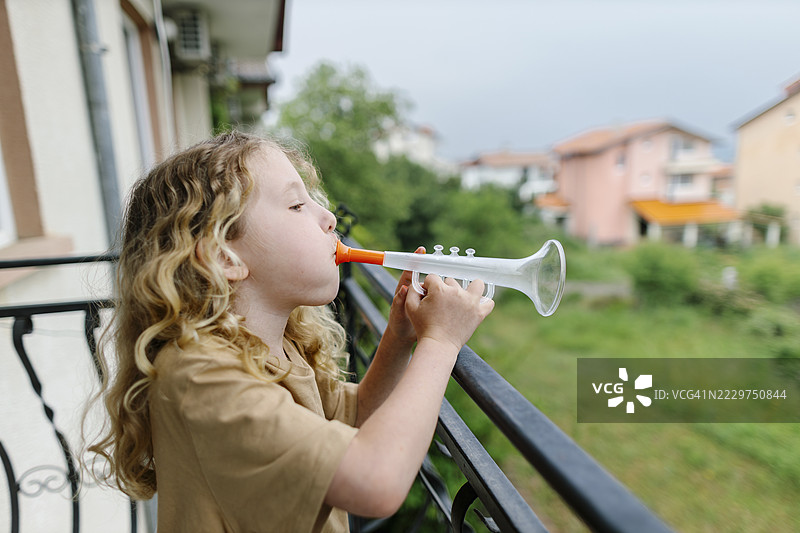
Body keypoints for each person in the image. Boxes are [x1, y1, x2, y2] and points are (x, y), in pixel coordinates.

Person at [85, 131, 493, 532]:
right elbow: (375, 480)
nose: (328, 217)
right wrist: (440, 343)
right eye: (298, 205)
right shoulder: (200, 375)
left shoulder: (274, 347)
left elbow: (355, 422)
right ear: (223, 256)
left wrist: (401, 336)